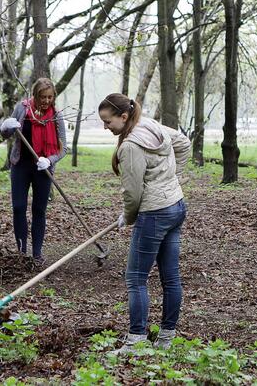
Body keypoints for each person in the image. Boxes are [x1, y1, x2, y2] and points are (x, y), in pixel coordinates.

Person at [98, 93, 191, 353]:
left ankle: (136, 340)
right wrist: (171, 179)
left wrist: (127, 218)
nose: (106, 127)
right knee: (170, 277)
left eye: (107, 121)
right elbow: (183, 143)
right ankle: (166, 338)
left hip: (155, 213)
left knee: (136, 278)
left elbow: (133, 193)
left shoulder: (130, 146)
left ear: (123, 116)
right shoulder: (150, 124)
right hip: (176, 205)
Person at [0, 78, 66, 265]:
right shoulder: (22, 109)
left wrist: (49, 160)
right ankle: (21, 252)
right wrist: (5, 126)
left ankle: (37, 254)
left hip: (43, 168)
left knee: (39, 210)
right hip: (20, 165)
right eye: (42, 97)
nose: (46, 101)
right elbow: (6, 134)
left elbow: (64, 149)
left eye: (50, 97)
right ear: (35, 95)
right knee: (18, 207)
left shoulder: (56, 116)